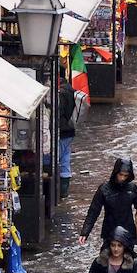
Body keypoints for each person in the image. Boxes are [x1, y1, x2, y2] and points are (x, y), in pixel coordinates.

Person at [80, 158, 137, 247]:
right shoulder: (104, 189)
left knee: (128, 259)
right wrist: (85, 232)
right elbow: (93, 212)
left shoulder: (132, 188)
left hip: (128, 231)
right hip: (109, 232)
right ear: (116, 173)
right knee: (107, 258)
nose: (122, 178)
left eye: (125, 176)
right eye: (120, 175)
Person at [57, 71, 77, 199]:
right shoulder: (71, 90)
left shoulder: (61, 93)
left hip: (62, 131)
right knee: (65, 159)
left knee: (57, 158)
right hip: (70, 131)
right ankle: (64, 190)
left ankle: (59, 190)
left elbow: (59, 112)